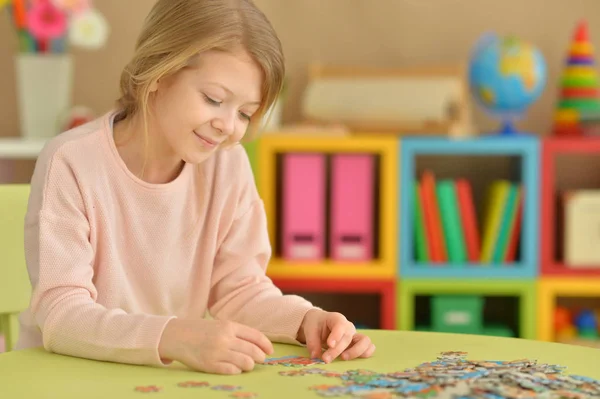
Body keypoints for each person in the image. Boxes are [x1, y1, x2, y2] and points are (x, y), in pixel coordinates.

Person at [15, 0, 375, 375]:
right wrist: (172, 336)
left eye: (244, 113)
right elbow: (62, 314)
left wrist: (306, 321)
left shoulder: (228, 166)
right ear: (158, 72)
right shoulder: (71, 161)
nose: (228, 126)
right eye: (214, 100)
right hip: (65, 378)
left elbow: (239, 291)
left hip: (157, 380)